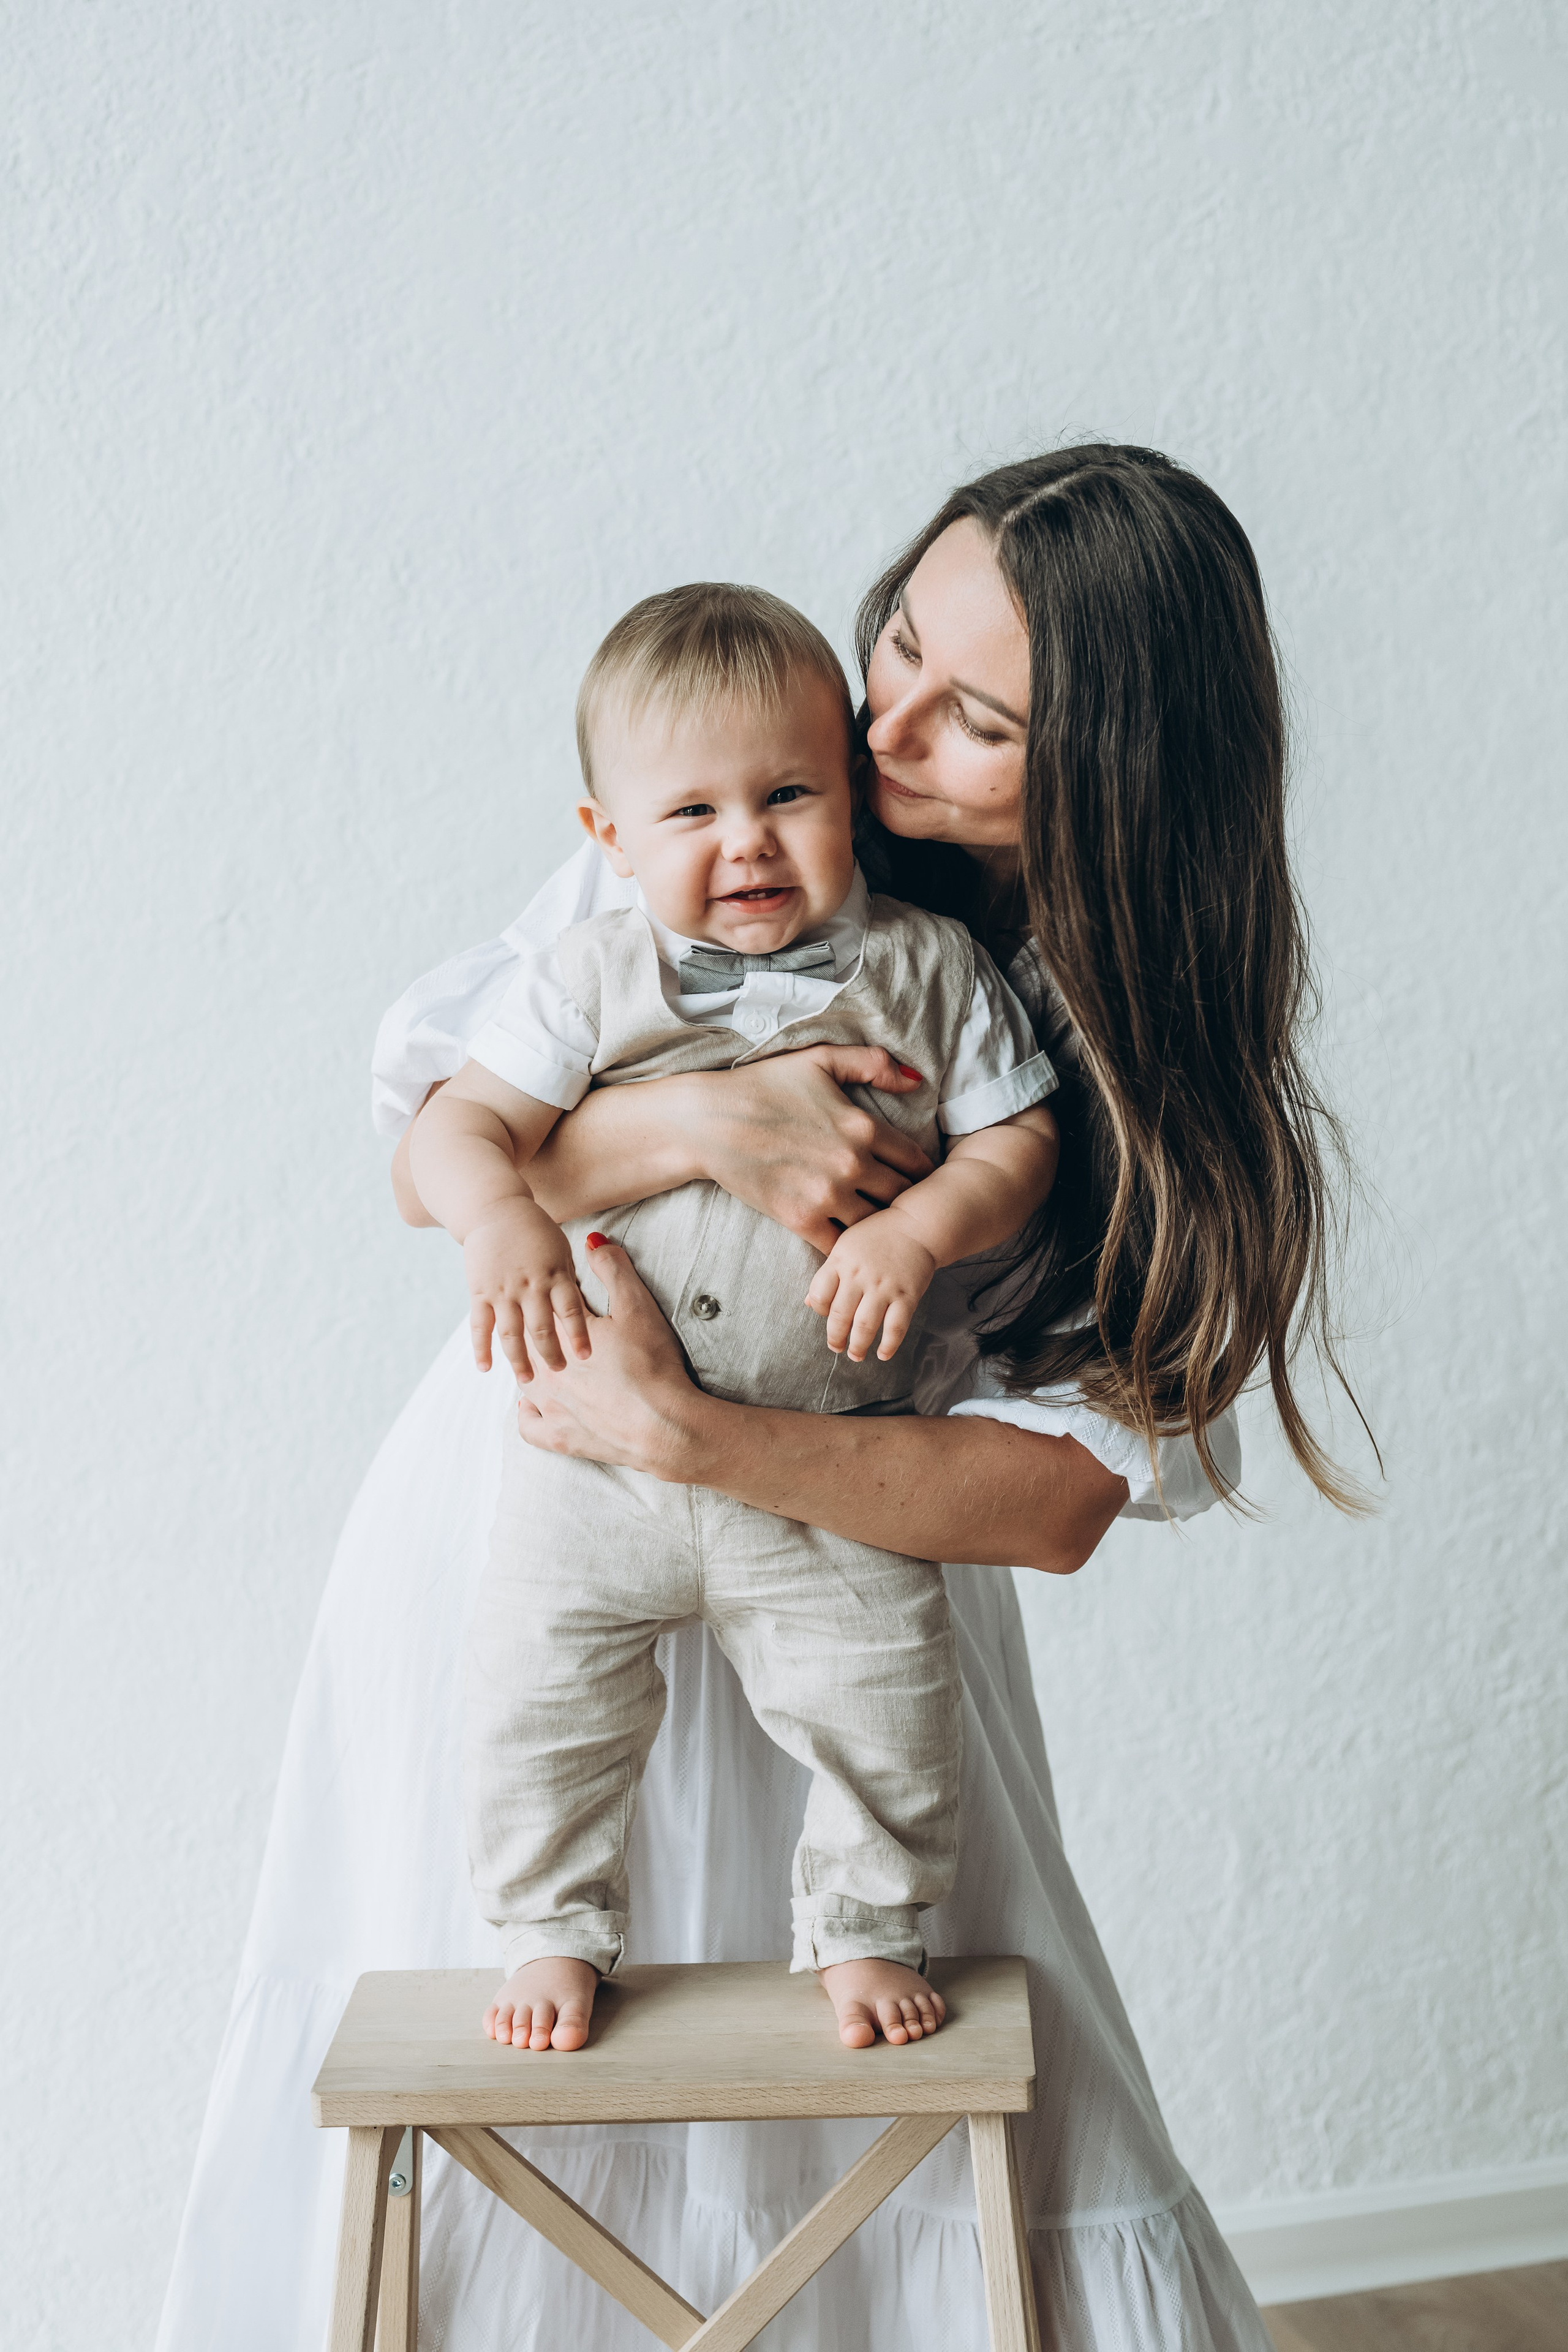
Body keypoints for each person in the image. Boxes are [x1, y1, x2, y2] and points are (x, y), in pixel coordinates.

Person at [158, 445, 1348, 2351]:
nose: (884, 733)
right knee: (515, 2004)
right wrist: (710, 1120)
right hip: (537, 1492)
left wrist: (700, 1441)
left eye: (977, 722)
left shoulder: (1114, 1057)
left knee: (898, 2041)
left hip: (850, 1546)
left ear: (1118, 778)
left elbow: (1062, 1500)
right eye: (901, 646)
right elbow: (444, 1156)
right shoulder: (730, 795)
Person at [407, 579, 1058, 2052]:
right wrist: (502, 1218)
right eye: (692, 813)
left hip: (825, 1462)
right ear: (610, 838)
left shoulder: (931, 970)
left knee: (890, 1699)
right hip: (587, 1450)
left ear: (850, 798)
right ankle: (547, 1927)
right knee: (534, 1695)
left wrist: (917, 1226)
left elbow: (1017, 1146)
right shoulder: (588, 974)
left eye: (786, 795)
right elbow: (453, 1133)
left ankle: (865, 1928)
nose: (745, 840)